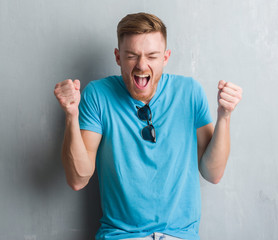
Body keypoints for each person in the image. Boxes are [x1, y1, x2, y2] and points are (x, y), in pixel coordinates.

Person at [54, 12, 242, 240]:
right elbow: (77, 179)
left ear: (165, 57)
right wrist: (71, 116)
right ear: (118, 57)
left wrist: (224, 116)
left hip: (180, 235)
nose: (142, 65)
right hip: (121, 236)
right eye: (132, 55)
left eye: (152, 56)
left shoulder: (190, 92)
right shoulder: (98, 95)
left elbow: (213, 174)